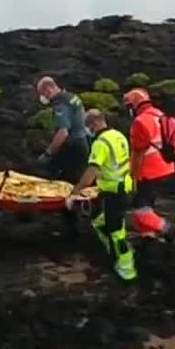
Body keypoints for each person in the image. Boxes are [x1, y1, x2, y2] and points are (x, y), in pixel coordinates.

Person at [68, 109, 137, 282]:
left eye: (88, 126)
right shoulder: (118, 136)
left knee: (116, 231)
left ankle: (126, 269)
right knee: (100, 222)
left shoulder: (101, 143)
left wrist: (75, 193)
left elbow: (92, 170)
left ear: (94, 123)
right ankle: (113, 252)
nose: (88, 130)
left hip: (115, 192)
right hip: (122, 188)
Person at [35, 76, 90, 236]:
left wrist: (48, 153)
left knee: (63, 186)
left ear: (48, 89)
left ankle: (71, 228)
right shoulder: (73, 97)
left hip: (71, 149)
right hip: (82, 145)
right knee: (77, 186)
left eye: (42, 94)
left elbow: (63, 132)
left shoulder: (60, 104)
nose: (43, 98)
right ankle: (77, 223)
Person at [123, 88, 175, 239]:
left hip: (149, 171)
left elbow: (138, 153)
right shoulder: (159, 114)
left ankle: (169, 230)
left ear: (134, 105)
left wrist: (133, 178)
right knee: (148, 205)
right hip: (165, 166)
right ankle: (148, 237)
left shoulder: (140, 122)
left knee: (140, 210)